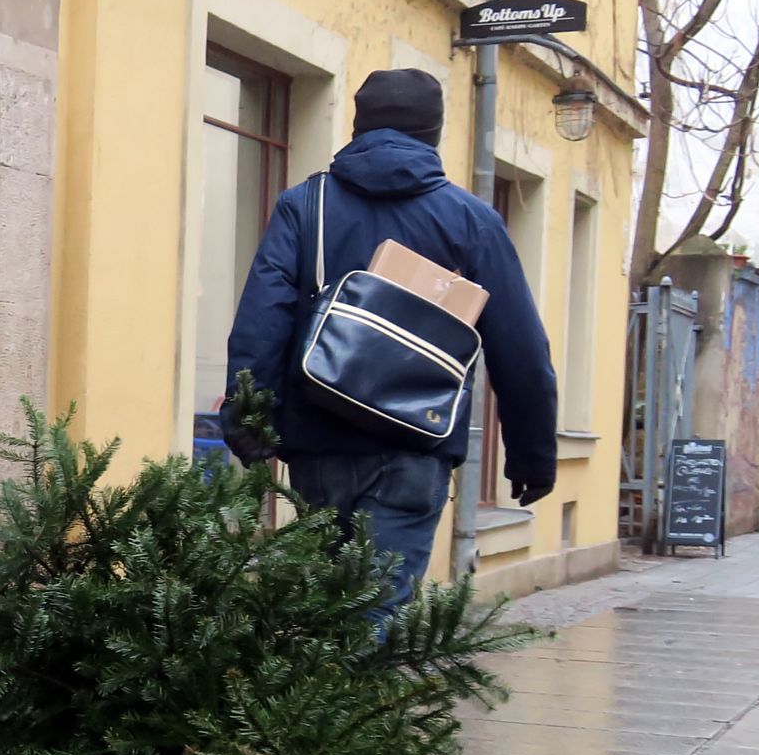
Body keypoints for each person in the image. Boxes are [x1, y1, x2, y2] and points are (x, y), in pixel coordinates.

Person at [221, 67, 557, 614]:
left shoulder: (306, 206)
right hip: (415, 445)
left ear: (358, 128)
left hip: (319, 439)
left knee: (325, 604)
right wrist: (532, 455)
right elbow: (520, 347)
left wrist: (249, 415)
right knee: (379, 607)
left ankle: (324, 695)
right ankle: (353, 692)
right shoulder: (472, 220)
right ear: (435, 133)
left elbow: (264, 316)